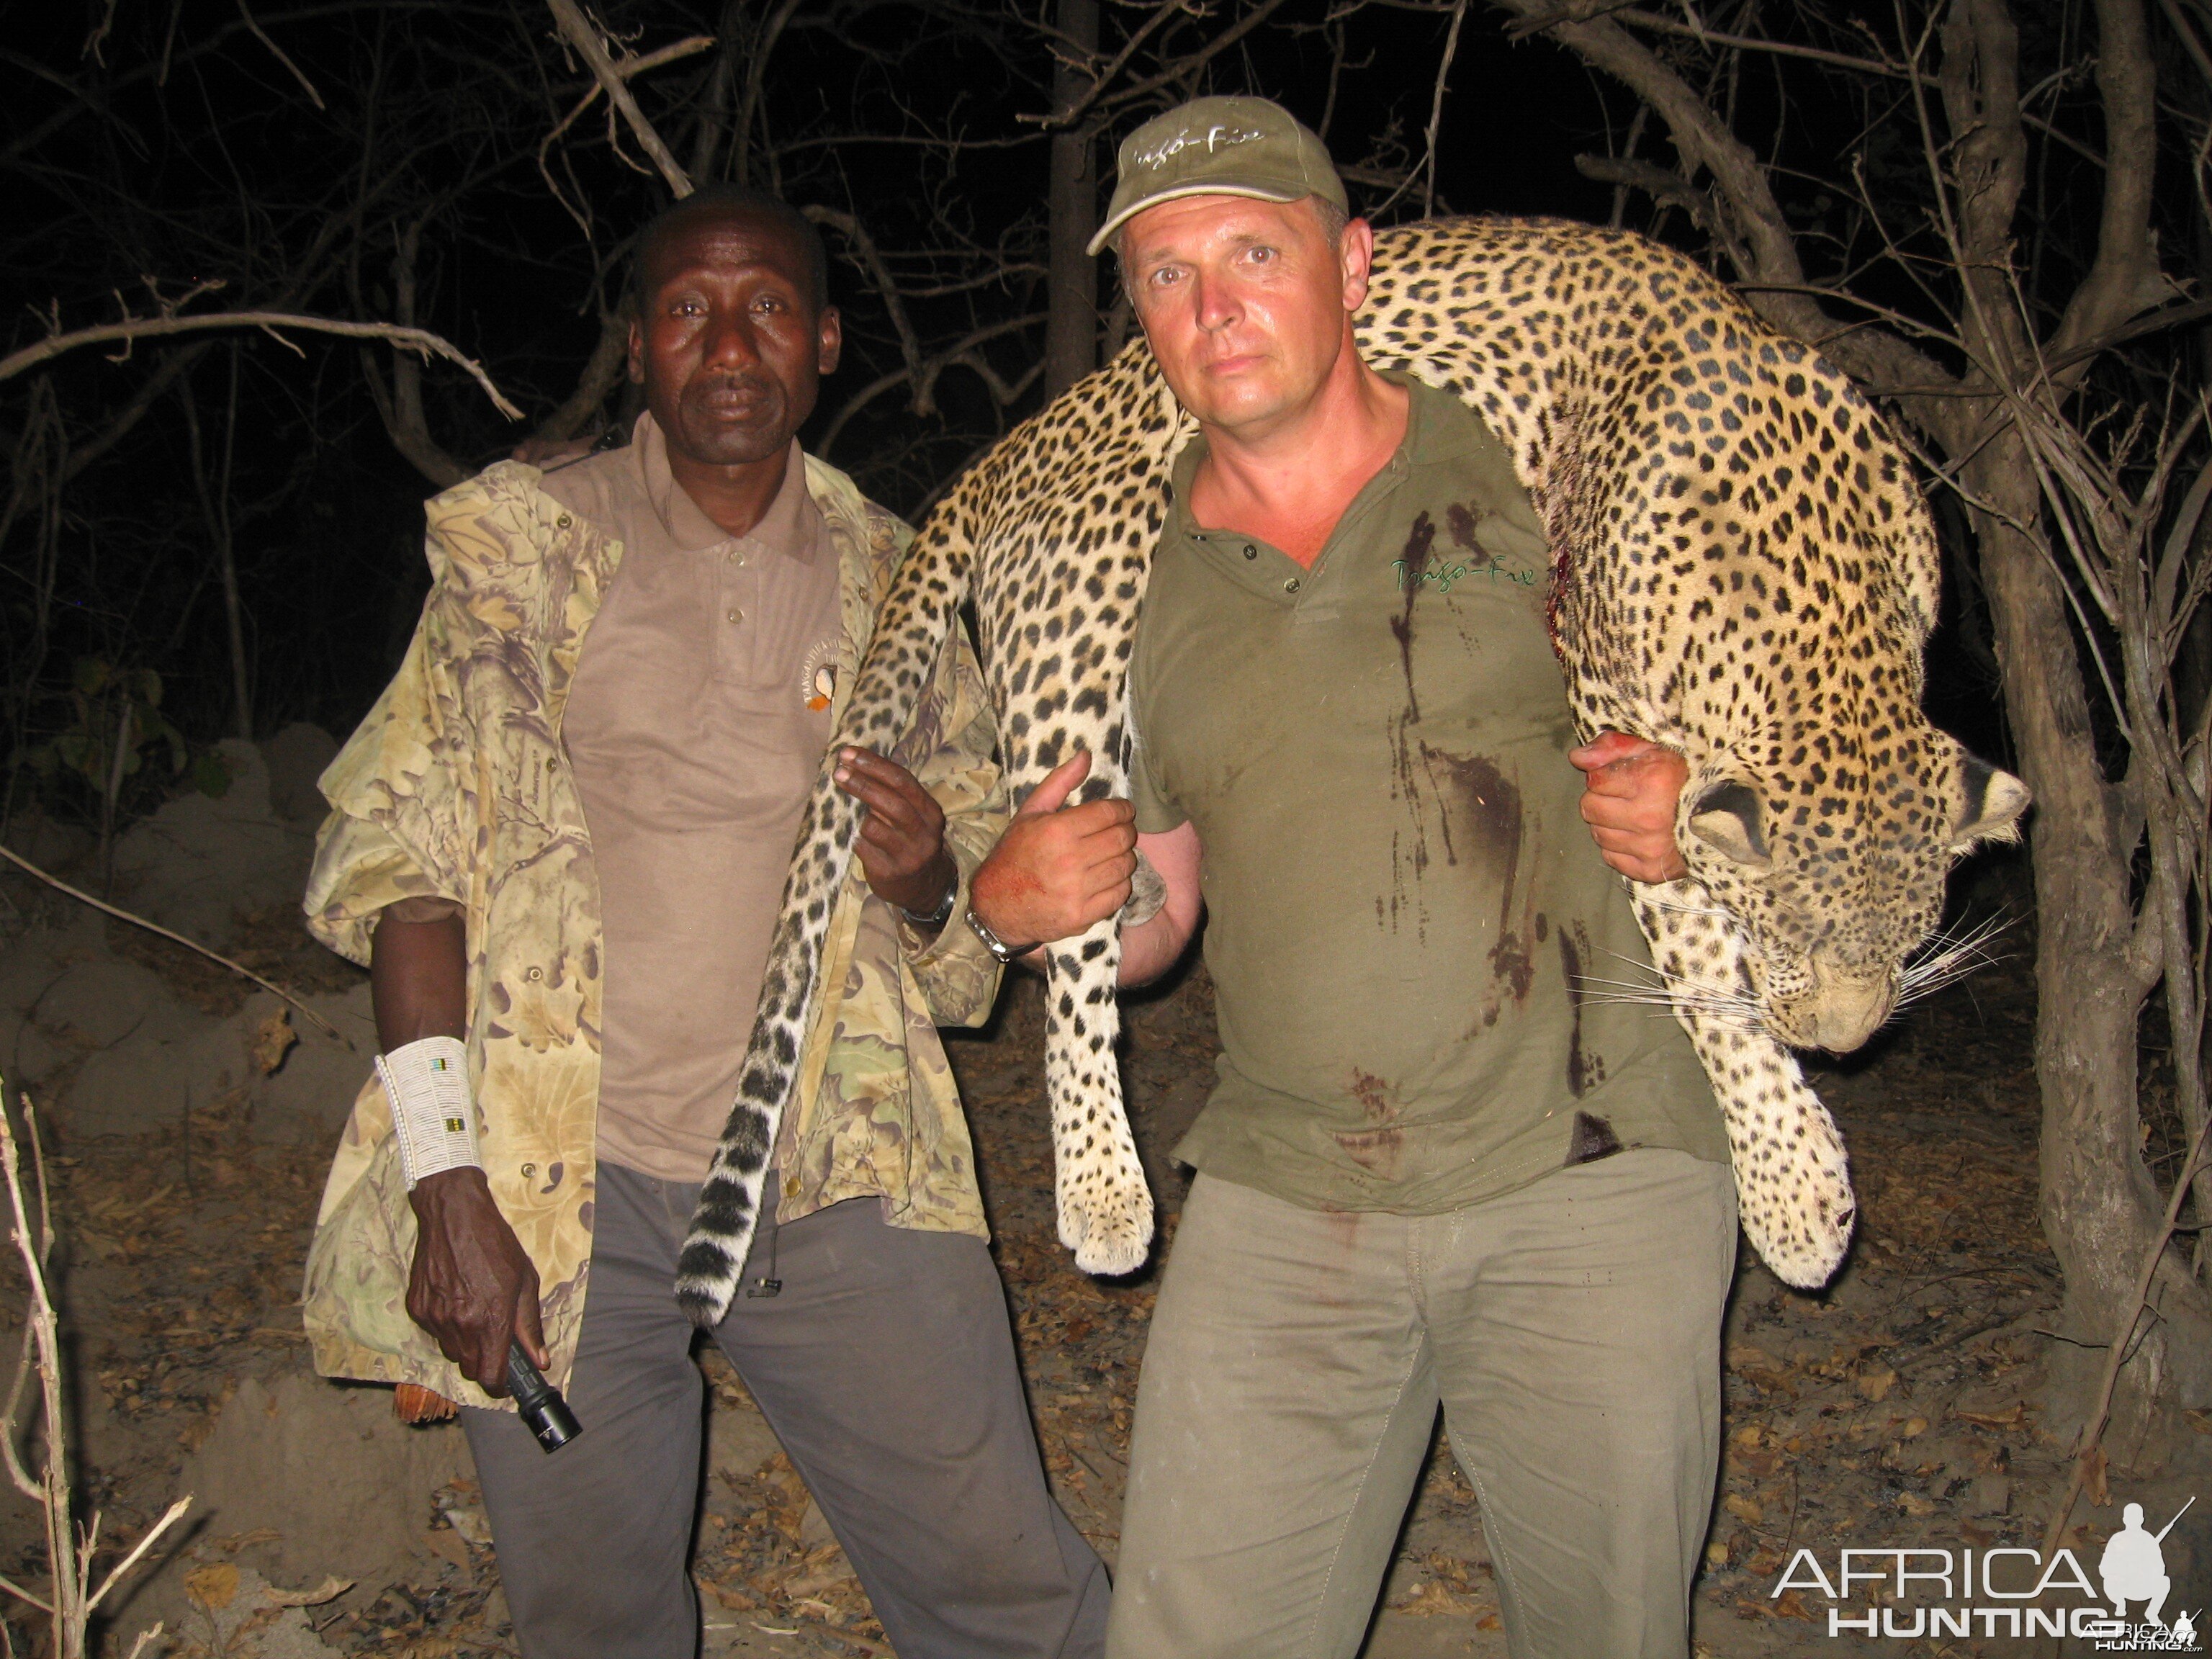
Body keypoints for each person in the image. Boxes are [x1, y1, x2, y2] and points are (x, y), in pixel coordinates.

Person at [962, 98, 1736, 1659]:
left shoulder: (1534, 457)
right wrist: (1030, 905)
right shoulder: (1136, 578)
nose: (1215, 306)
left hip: (1594, 1166)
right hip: (1285, 1187)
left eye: (1256, 251)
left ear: (1357, 264)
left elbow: (1746, 720)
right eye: (1168, 276)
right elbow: (1162, 912)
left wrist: (1700, 801)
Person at [300, 184, 1109, 1659]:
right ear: (639, 345)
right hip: (561, 1184)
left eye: (768, 308)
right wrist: (447, 1185)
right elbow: (404, 874)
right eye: (688, 309)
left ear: (825, 345)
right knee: (596, 1620)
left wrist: (925, 873)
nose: (728, 341)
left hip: (840, 1158)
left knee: (1013, 1591)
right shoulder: (522, 554)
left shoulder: (901, 575)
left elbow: (975, 935)